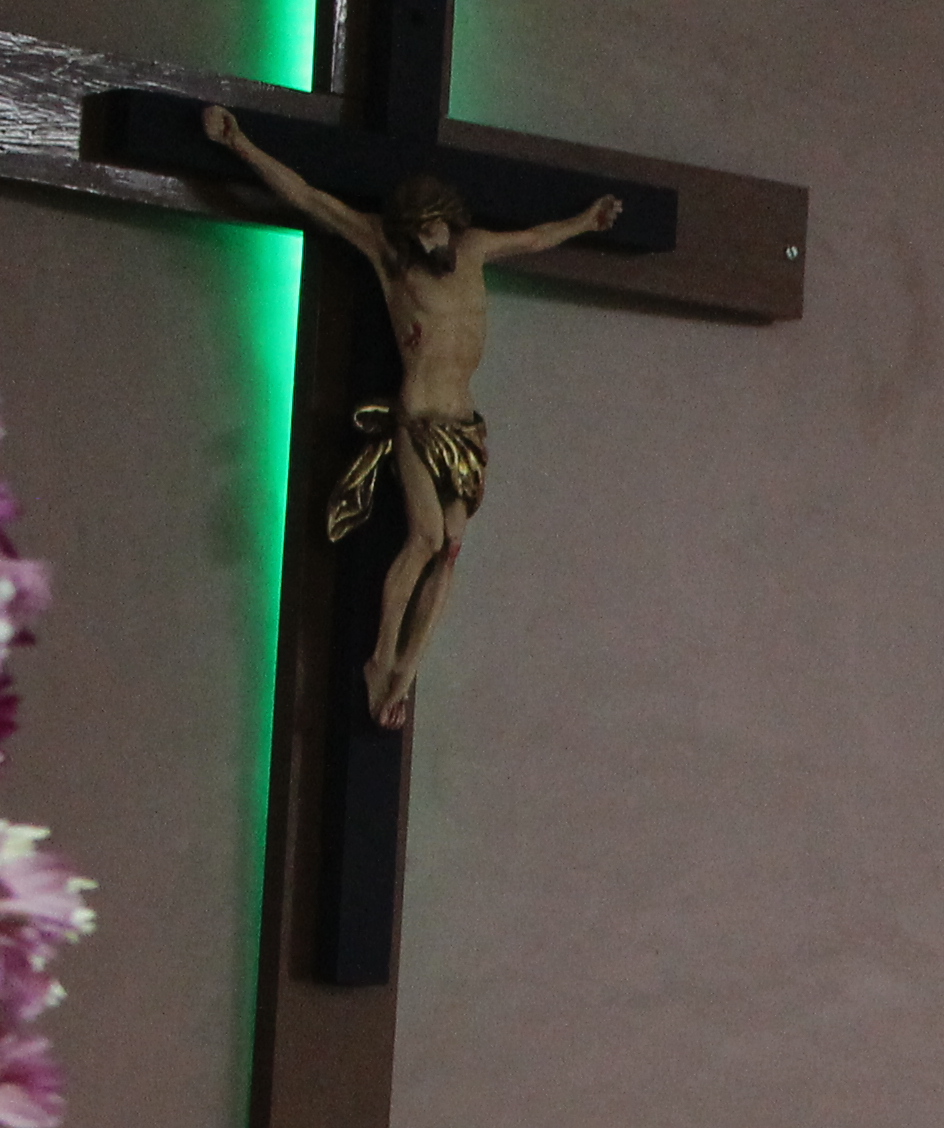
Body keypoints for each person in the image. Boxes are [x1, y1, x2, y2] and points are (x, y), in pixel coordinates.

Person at [199, 106, 625, 728]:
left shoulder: (474, 249)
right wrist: (241, 144)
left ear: (451, 221)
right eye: (421, 234)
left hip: (466, 427)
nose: (432, 243)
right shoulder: (387, 255)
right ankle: (380, 658)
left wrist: (587, 221)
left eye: (436, 230)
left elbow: (535, 237)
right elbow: (311, 198)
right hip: (418, 420)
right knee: (423, 538)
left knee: (451, 548)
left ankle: (408, 668)